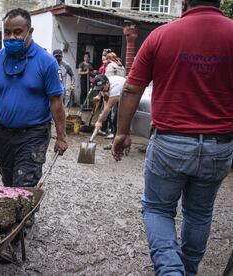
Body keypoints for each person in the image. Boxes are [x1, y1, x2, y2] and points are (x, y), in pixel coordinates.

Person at [112, 1, 233, 275]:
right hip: (219, 145)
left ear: (185, 2)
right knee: (199, 213)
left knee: (157, 210)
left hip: (171, 143)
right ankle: (187, 270)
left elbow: (131, 89)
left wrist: (122, 132)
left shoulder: (162, 35)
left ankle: (170, 270)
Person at [0, 8, 68, 188]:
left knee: (24, 185)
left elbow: (56, 103)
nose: (11, 37)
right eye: (8, 32)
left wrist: (61, 136)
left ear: (30, 32)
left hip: (34, 135)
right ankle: (13, 216)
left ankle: (26, 217)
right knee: (8, 183)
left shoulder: (46, 62)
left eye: (18, 32)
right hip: (4, 133)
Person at [92, 74, 125, 149]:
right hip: (119, 97)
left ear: (107, 83)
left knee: (118, 121)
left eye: (102, 88)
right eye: (99, 89)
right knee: (115, 121)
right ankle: (115, 143)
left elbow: (109, 106)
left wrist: (99, 121)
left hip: (127, 96)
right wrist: (103, 115)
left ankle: (119, 144)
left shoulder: (115, 87)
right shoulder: (103, 87)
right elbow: (106, 101)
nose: (101, 90)